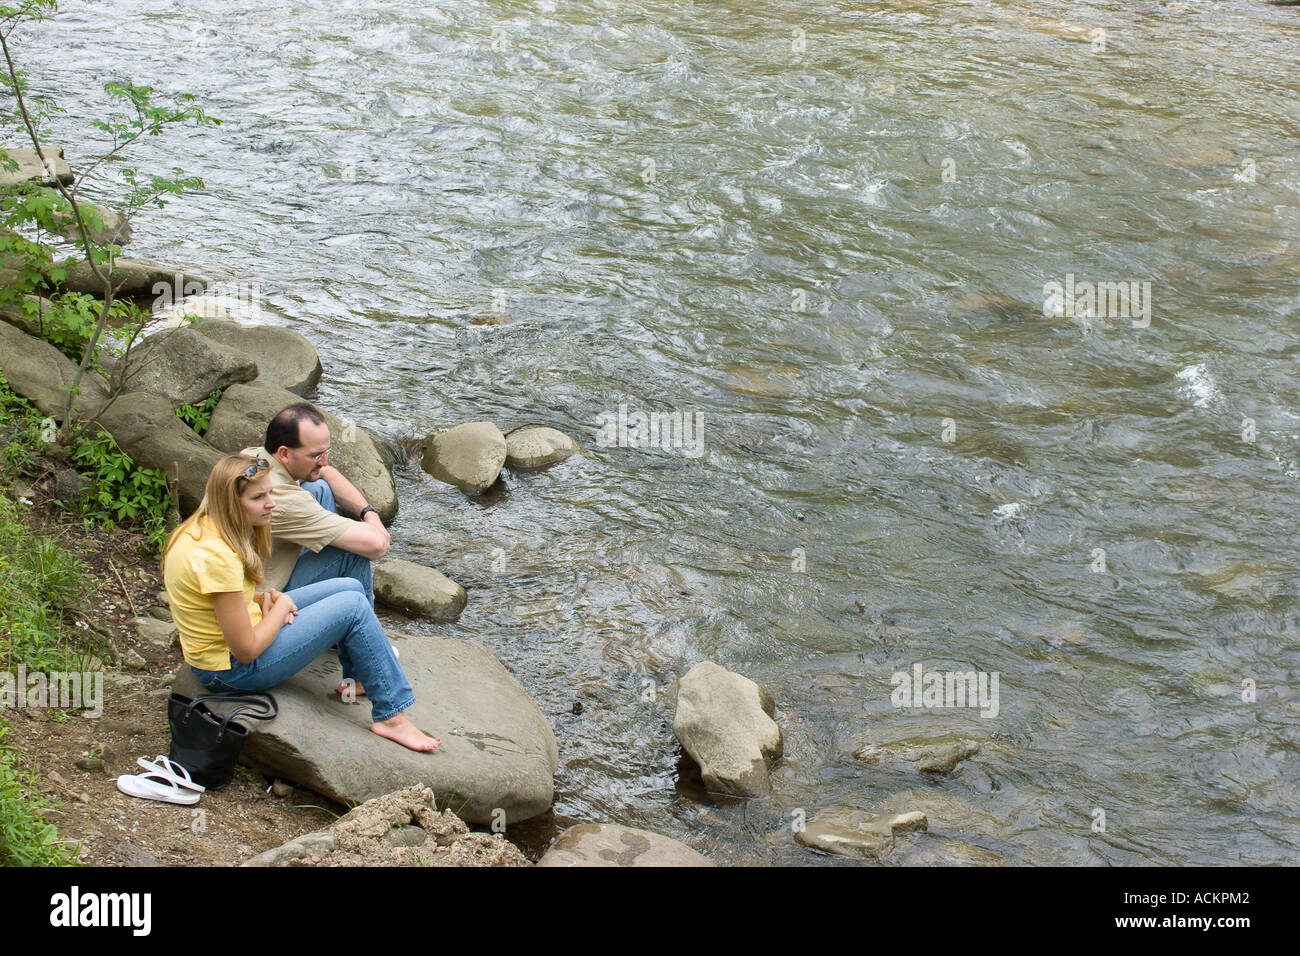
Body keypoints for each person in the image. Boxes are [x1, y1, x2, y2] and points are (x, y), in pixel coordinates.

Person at [161, 454, 439, 752]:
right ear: (231, 502)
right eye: (258, 497)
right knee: (353, 608)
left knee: (350, 587)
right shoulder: (218, 557)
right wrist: (280, 609)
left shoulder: (199, 528)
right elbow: (245, 651)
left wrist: (263, 598)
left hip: (236, 642)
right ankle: (392, 716)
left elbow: (213, 599)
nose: (271, 503)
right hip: (229, 671)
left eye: (270, 492)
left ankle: (359, 677)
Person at [240, 403, 391, 606]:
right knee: (352, 552)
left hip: (258, 569)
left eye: (326, 452)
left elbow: (325, 472)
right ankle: (363, 623)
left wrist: (367, 512)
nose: (324, 462)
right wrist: (373, 523)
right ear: (284, 453)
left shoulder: (255, 458)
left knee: (319, 487)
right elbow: (377, 545)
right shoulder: (281, 499)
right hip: (264, 599)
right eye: (316, 455)